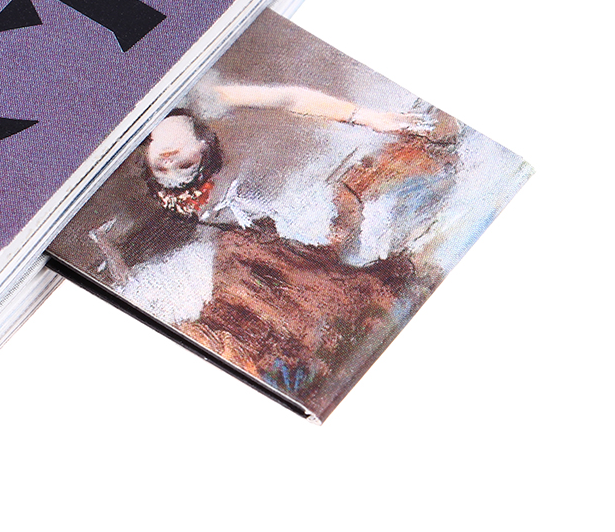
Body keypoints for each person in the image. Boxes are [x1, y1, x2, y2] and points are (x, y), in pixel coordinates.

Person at [86, 79, 459, 412]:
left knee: (327, 238)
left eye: (177, 151)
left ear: (203, 142)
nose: (168, 154)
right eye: (162, 154)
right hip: (250, 252)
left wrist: (366, 117)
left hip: (274, 222)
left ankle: (408, 165)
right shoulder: (128, 151)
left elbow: (288, 97)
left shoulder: (202, 104)